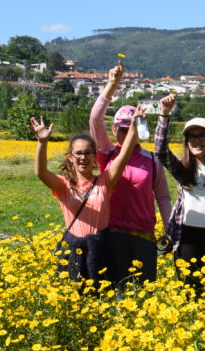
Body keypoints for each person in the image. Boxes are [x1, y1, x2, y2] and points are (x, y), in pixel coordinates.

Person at [29, 112, 142, 286]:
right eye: (78, 153)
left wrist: (134, 128)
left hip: (102, 249)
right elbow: (41, 172)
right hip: (73, 250)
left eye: (88, 153)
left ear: (95, 156)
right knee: (73, 297)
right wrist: (42, 142)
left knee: (103, 297)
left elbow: (124, 156)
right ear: (70, 157)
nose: (83, 157)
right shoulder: (63, 185)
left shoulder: (106, 181)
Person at [88, 61, 172, 284]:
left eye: (133, 128)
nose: (128, 133)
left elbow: (163, 197)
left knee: (143, 296)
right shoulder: (106, 153)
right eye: (123, 129)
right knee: (113, 293)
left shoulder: (152, 160)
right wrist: (111, 85)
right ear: (115, 129)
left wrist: (169, 229)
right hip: (111, 234)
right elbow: (95, 119)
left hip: (144, 237)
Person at [155, 94, 205, 287]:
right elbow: (160, 150)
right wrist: (164, 115)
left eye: (201, 135)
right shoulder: (182, 170)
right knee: (188, 291)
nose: (196, 141)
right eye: (192, 137)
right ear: (186, 142)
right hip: (185, 238)